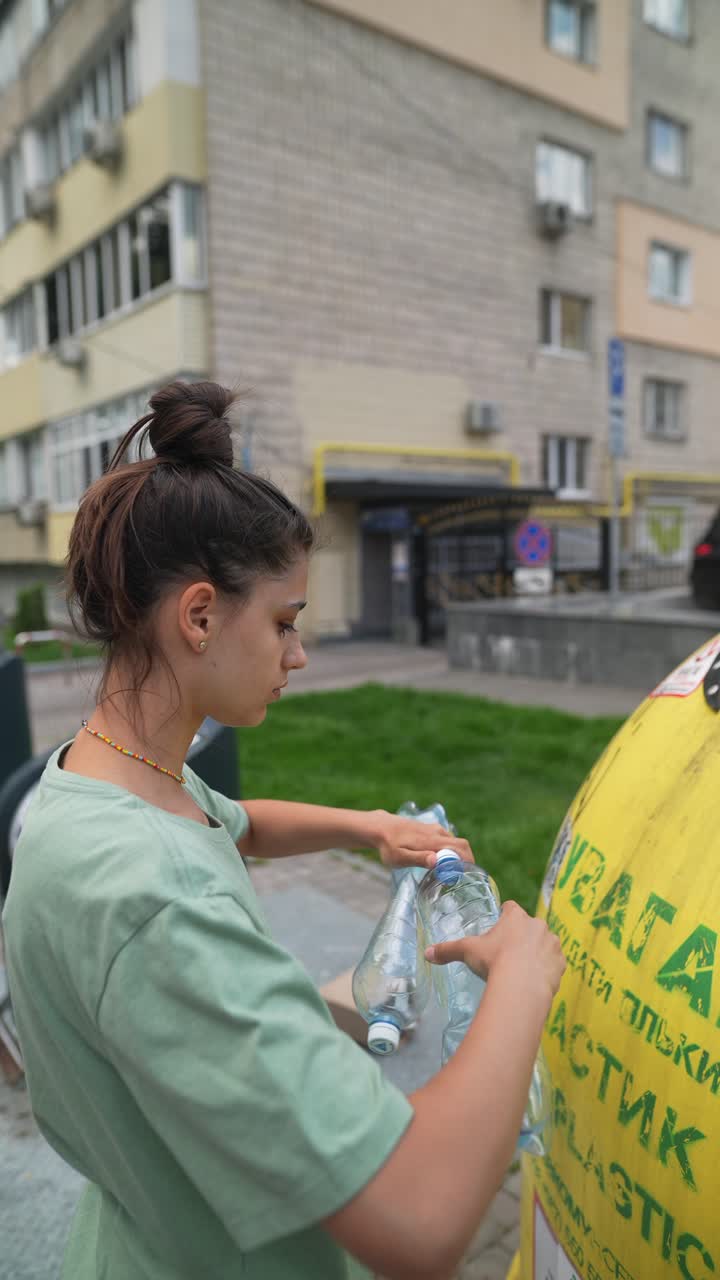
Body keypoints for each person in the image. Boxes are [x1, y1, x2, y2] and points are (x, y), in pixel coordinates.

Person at [2, 381, 565, 1280]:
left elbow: (237, 823)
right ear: (197, 616)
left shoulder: (97, 780)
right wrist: (520, 985)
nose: (298, 655)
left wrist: (370, 826)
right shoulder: (153, 900)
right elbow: (418, 1216)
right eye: (284, 623)